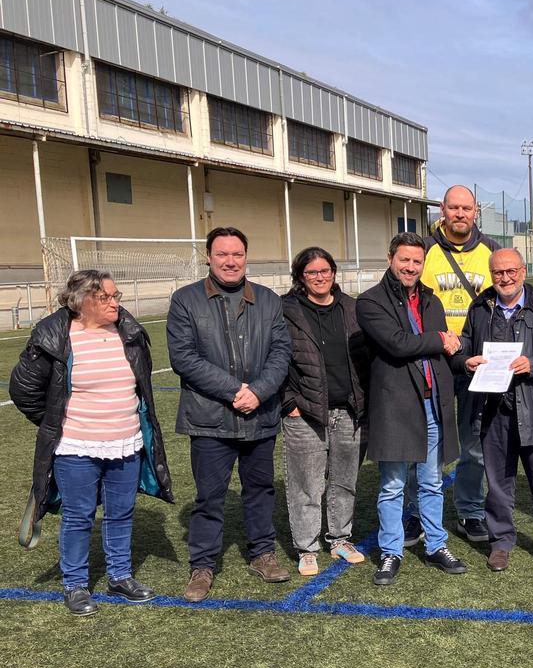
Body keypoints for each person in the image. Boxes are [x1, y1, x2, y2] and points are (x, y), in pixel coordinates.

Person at [10, 270, 174, 616]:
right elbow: (23, 389)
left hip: (126, 442)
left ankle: (119, 576)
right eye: (106, 298)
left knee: (120, 512)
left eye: (117, 297)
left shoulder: (128, 331)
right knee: (79, 515)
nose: (116, 303)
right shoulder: (55, 335)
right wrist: (58, 422)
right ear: (82, 301)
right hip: (76, 447)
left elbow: (140, 384)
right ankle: (75, 584)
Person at [167, 226, 292, 602]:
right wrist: (234, 390)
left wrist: (259, 391)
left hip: (259, 416)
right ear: (209, 257)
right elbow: (183, 357)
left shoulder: (269, 300)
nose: (230, 261)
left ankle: (262, 554)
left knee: (260, 490)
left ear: (246, 257)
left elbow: (281, 353)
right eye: (222, 254)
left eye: (237, 254)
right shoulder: (186, 300)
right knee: (210, 495)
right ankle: (203, 566)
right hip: (209, 419)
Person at [455, 248, 533, 572]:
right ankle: (501, 543)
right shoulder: (480, 307)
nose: (505, 278)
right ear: (491, 275)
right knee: (498, 483)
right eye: (498, 273)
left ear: (523, 271)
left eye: (511, 271)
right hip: (494, 412)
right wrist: (465, 360)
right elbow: (465, 345)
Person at [357, 232, 465, 583]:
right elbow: (398, 344)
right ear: (390, 258)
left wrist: (463, 355)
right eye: (404, 260)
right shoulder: (370, 302)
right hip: (396, 406)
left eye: (417, 261)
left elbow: (446, 349)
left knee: (432, 482)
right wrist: (438, 340)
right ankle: (391, 552)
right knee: (392, 485)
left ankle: (436, 544)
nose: (410, 267)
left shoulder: (431, 301)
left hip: (433, 404)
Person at [415, 185, 501, 545]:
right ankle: (416, 515)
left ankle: (469, 511)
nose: (461, 214)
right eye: (454, 208)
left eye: (467, 208)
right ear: (442, 209)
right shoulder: (424, 250)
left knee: (474, 443)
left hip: (475, 362)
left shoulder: (492, 251)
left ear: (476, 211)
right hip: (430, 359)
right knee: (421, 441)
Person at [281, 247, 372, 576]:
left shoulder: (351, 307)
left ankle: (340, 539)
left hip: (350, 411)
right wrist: (288, 401)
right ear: (301, 277)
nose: (319, 277)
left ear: (334, 273)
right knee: (306, 483)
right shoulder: (287, 310)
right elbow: (274, 358)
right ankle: (307, 547)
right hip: (305, 412)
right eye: (311, 273)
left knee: (344, 481)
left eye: (325, 271)